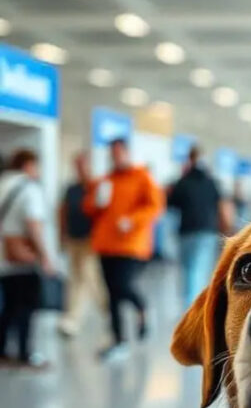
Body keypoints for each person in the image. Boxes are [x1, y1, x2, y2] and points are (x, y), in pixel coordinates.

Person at [84, 138, 164, 362]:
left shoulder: (142, 177)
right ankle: (118, 340)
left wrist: (133, 220)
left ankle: (143, 309)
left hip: (131, 244)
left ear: (127, 153)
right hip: (105, 243)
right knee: (111, 294)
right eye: (113, 153)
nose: (115, 157)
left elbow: (155, 206)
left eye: (119, 153)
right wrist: (96, 202)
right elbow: (89, 208)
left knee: (122, 286)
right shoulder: (106, 180)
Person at [0, 148, 56, 369]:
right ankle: (25, 353)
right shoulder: (29, 188)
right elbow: (33, 225)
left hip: (3, 257)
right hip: (22, 258)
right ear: (28, 165)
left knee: (9, 307)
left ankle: (2, 350)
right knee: (26, 308)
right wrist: (45, 256)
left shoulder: (3, 184)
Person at [167, 147, 226, 307]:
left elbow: (171, 203)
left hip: (187, 232)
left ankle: (191, 306)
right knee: (200, 269)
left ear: (189, 159)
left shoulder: (183, 181)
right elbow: (221, 206)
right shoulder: (211, 182)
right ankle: (196, 305)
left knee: (188, 270)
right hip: (207, 232)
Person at [58, 152, 105, 337]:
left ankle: (102, 310)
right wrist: (62, 235)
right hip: (74, 238)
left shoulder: (97, 187)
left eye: (82, 165)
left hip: (90, 240)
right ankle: (75, 317)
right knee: (79, 279)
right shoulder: (71, 189)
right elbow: (63, 211)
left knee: (87, 276)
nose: (79, 169)